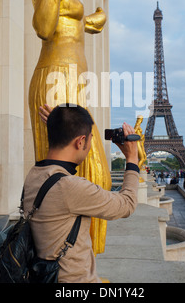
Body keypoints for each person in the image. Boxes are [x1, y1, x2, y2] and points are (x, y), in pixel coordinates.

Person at [28, 0, 111, 255]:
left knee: (89, 177)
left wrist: (91, 20)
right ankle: (63, 267)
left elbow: (67, 21)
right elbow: (44, 26)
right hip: (56, 80)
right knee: (77, 177)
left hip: (72, 81)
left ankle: (80, 265)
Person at [23, 104, 139, 283]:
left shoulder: (34, 175)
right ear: (80, 141)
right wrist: (132, 159)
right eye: (90, 140)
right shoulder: (69, 187)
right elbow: (127, 205)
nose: (91, 146)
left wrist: (61, 123)